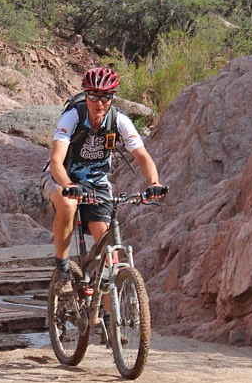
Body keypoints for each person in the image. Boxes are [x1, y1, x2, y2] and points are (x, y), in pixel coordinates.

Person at [42, 66, 168, 276]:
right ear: (85, 94)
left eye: (105, 97)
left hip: (96, 182)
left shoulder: (119, 121)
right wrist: (69, 186)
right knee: (67, 203)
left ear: (112, 98)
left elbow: (142, 155)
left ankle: (110, 307)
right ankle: (63, 268)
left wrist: (154, 183)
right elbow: (55, 161)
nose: (99, 103)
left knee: (110, 255)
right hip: (62, 177)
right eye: (93, 96)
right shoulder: (72, 116)